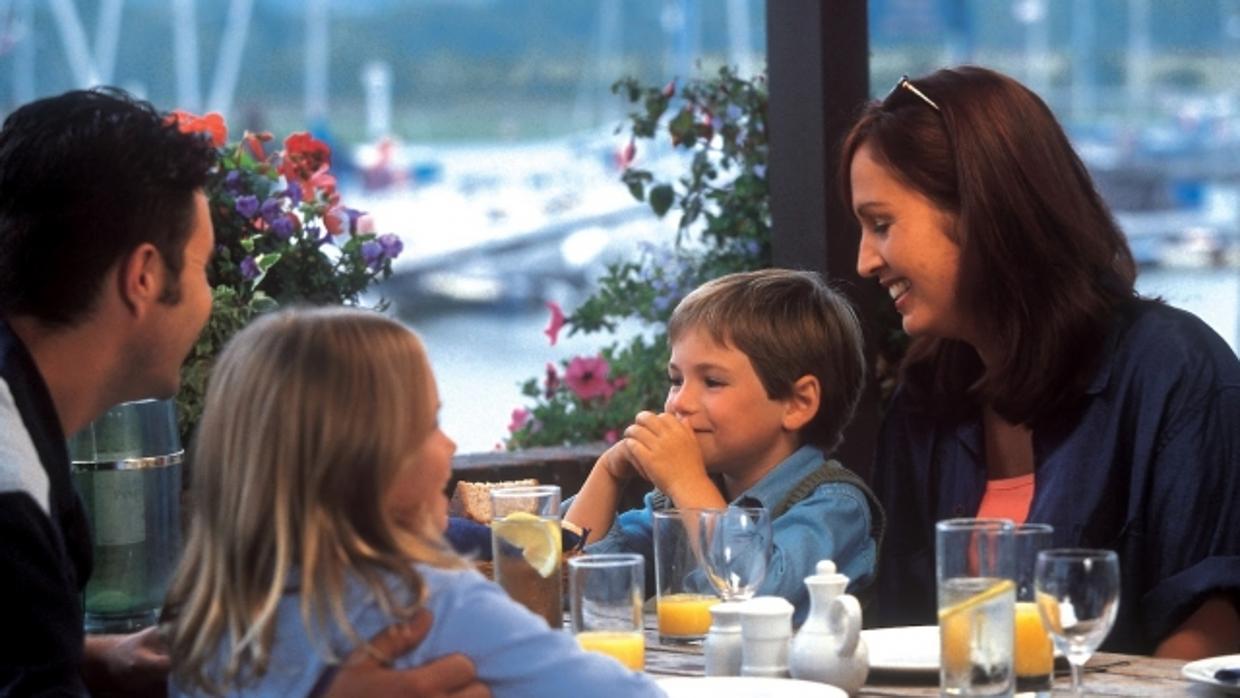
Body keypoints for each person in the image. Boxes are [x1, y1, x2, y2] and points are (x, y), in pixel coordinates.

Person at [0, 88, 485, 697]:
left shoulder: (20, 429)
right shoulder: (10, 495)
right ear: (144, 278)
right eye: (204, 267)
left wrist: (95, 657)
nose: (210, 299)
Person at [843, 65, 1240, 657]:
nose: (864, 262)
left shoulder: (1176, 372)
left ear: (982, 210)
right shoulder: (922, 398)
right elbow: (906, 640)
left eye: (882, 224)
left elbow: (1208, 637)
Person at [161, 307, 663, 697]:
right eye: (430, 425)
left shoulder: (209, 632)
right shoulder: (430, 605)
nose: (448, 447)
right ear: (366, 467)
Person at [565, 269, 884, 622]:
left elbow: (755, 595)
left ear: (797, 403)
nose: (678, 403)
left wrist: (688, 483)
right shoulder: (680, 503)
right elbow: (581, 580)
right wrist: (608, 472)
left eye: (712, 381)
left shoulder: (835, 507)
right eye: (676, 380)